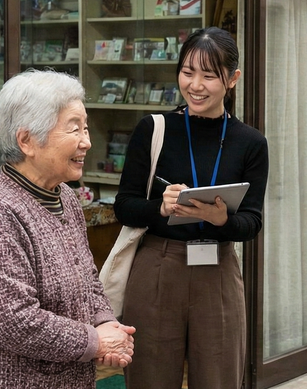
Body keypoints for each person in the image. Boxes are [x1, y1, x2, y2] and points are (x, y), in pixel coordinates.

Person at [0, 70, 135, 389]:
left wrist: (106, 324)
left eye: (85, 128)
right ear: (26, 141)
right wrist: (94, 341)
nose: (86, 142)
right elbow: (12, 322)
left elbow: (86, 278)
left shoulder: (65, 196)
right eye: (74, 129)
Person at [114, 27, 269, 389]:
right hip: (157, 267)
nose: (196, 85)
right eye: (187, 72)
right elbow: (123, 206)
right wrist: (161, 208)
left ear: (232, 79)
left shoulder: (250, 142)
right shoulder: (153, 129)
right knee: (149, 378)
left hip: (218, 270)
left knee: (219, 377)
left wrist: (221, 219)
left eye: (209, 75)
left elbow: (252, 222)